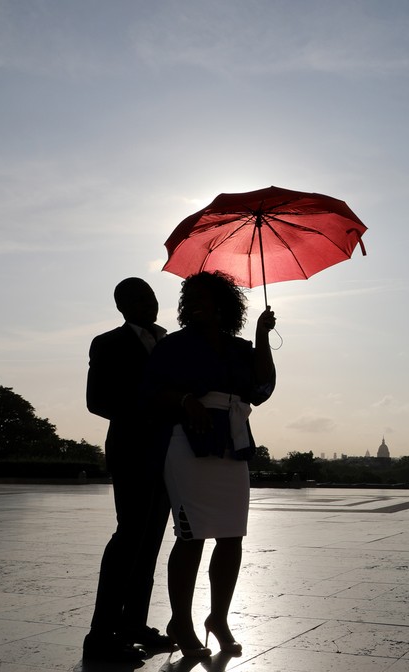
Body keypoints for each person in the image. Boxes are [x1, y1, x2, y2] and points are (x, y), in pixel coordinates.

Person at [145, 271, 276, 658]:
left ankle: (218, 618)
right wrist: (186, 400)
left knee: (231, 536)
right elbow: (151, 390)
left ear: (224, 304)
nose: (196, 304)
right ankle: (180, 622)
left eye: (205, 297)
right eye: (192, 298)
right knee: (191, 536)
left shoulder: (238, 348)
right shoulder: (173, 345)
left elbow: (262, 388)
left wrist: (263, 336)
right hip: (187, 441)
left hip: (231, 443)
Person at [83, 277, 173, 663]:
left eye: (150, 297)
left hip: (169, 453)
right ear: (122, 307)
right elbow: (97, 400)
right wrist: (149, 409)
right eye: (138, 299)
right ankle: (101, 634)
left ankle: (134, 624)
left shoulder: (170, 343)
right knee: (129, 539)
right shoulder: (108, 343)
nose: (147, 304)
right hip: (133, 450)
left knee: (150, 541)